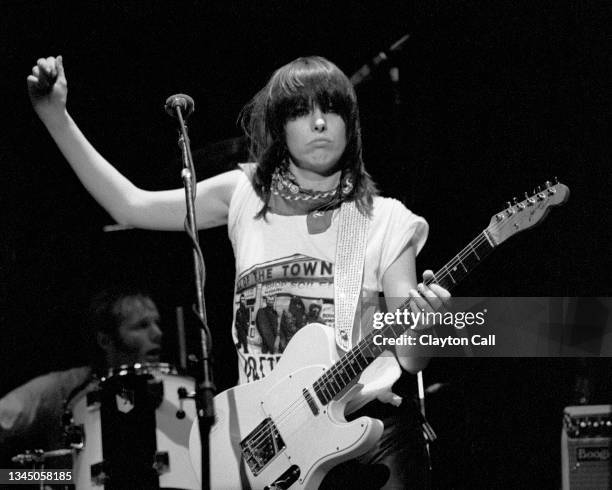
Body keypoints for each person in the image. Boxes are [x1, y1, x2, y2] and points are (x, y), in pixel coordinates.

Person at [28, 55, 451, 488]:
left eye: (332, 109)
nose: (320, 123)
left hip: (361, 429)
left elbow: (411, 359)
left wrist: (428, 324)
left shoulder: (385, 219)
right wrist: (55, 115)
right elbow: (130, 205)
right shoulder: (245, 196)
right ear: (280, 126)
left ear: (351, 124)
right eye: (302, 111)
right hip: (269, 439)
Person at [0, 288, 162, 459]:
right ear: (105, 341)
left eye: (157, 324)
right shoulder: (65, 388)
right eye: (142, 325)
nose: (158, 333)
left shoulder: (174, 390)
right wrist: (33, 478)